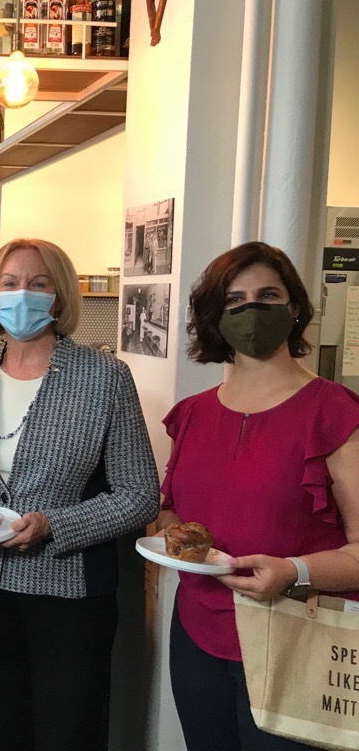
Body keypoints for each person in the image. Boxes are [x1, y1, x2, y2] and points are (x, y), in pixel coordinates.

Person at [0, 238, 159, 751]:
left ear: (59, 298)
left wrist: (56, 525)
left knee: (69, 733)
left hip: (69, 594)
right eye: (9, 284)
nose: (22, 295)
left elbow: (140, 495)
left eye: (38, 284)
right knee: (10, 727)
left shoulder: (104, 377)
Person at [156, 243, 359, 751]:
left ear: (294, 309)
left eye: (268, 296)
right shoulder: (193, 414)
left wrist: (294, 572)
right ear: (214, 318)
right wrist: (168, 535)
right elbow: (170, 511)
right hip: (198, 629)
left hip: (297, 636)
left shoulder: (332, 411)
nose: (252, 311)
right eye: (234, 301)